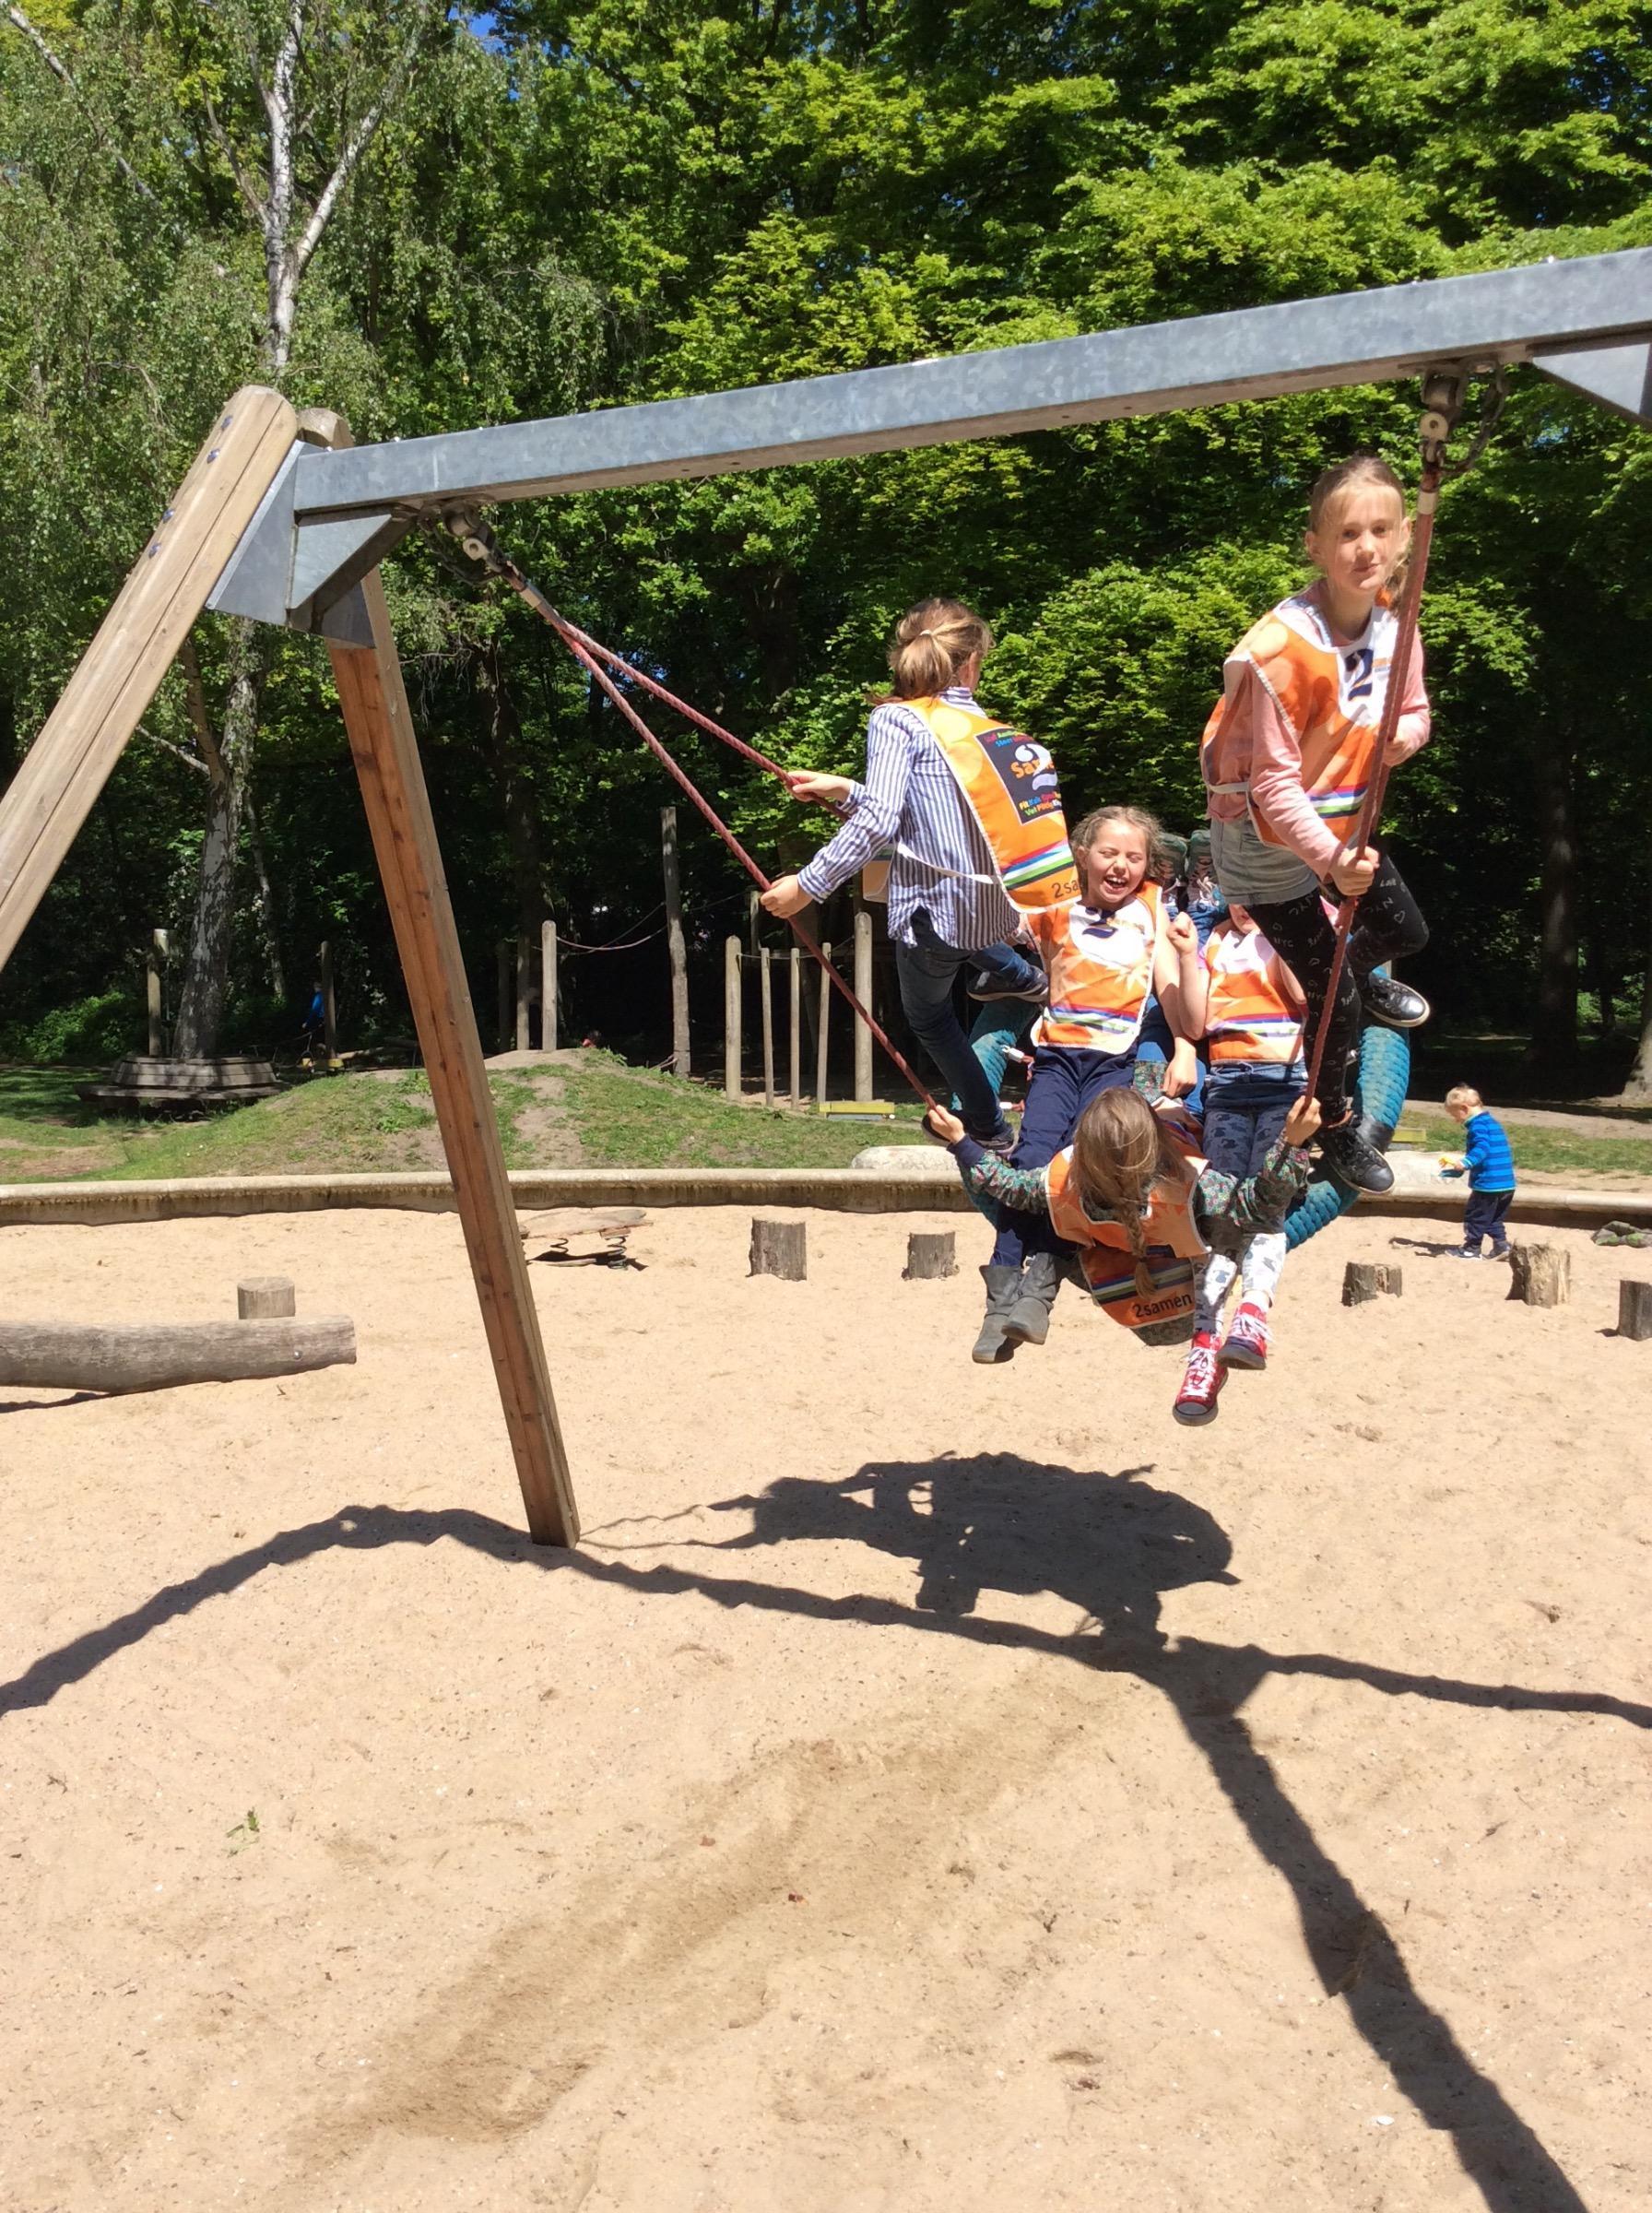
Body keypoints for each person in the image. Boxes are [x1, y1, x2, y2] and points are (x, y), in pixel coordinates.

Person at [761, 598, 1075, 1151]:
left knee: (930, 1019)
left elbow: (885, 820)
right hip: (992, 912)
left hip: (935, 915)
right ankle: (1022, 977)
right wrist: (844, 788)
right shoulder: (997, 737)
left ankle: (988, 1127)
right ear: (972, 661)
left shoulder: (895, 718)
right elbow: (930, 814)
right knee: (967, 949)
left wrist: (807, 884)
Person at [1200, 453, 1432, 1197]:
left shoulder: (1399, 623)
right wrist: (1331, 861)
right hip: (1265, 843)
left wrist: (1409, 735)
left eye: (1381, 530)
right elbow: (1270, 782)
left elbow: (1417, 708)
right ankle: (1332, 1126)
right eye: (1347, 534)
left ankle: (1343, 974)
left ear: (1401, 538)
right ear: (1316, 546)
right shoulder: (1279, 653)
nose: (1366, 548)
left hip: (1340, 822)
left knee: (1405, 933)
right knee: (1341, 1005)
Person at [924, 1086, 1320, 1423]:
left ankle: (1036, 1294)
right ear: (1156, 1142)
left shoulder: (1066, 1185)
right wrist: (1292, 1142)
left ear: (1083, 1150)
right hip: (1186, 1302)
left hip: (1123, 1299)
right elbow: (1258, 1205)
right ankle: (1215, 1341)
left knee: (1055, 1230)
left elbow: (1003, 1185)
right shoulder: (1190, 1186)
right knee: (1230, 1234)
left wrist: (961, 1142)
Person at [973, 804, 1202, 1364]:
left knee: (1075, 1172)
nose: (1121, 865)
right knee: (1030, 1162)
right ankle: (999, 1298)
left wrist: (1186, 1048)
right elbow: (992, 919)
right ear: (1082, 855)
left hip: (1111, 1066)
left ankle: (1039, 1293)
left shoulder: (1152, 909)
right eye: (1109, 853)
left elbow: (1170, 986)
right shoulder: (1052, 903)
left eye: (1134, 856)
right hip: (1055, 1060)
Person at [1183, 901, 1308, 1371]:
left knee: (1266, 1202)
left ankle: (1252, 1312)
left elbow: (1301, 995)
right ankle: (1205, 1334)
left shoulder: (1285, 932)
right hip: (1228, 1084)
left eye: (1256, 894)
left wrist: (1281, 928)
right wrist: (1185, 955)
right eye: (1236, 893)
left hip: (1284, 1081)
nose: (1244, 906)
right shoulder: (1214, 941)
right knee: (1222, 1209)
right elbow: (1195, 1025)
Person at [1441, 1084, 1517, 1259]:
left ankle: (1471, 1249)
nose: (1456, 1120)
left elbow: (1482, 1147)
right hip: (1506, 1184)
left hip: (1488, 1184)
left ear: (1464, 1108)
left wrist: (1466, 1162)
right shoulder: (1492, 1122)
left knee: (1475, 1216)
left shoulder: (1477, 1126)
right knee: (1494, 1218)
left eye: (1455, 1115)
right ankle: (1501, 1246)